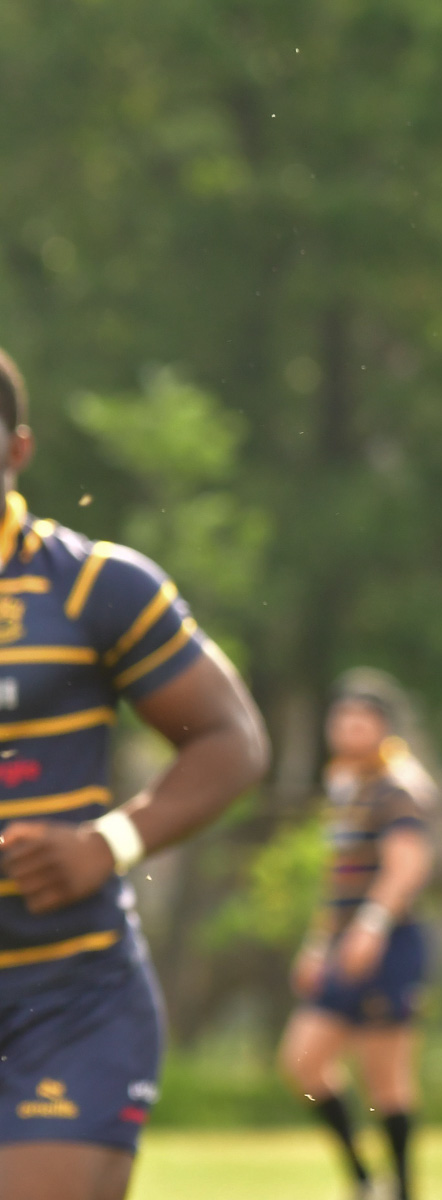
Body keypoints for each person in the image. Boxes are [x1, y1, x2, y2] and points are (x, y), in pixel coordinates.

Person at [0, 348, 269, 1200]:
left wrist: (109, 842)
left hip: (66, 997)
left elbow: (233, 741)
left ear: (18, 451)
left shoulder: (93, 587)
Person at [278, 672, 435, 1200]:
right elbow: (338, 878)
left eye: (361, 720)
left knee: (384, 1078)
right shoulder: (346, 791)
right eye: (341, 718)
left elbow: (407, 865)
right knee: (302, 1062)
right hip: (341, 948)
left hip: (386, 946)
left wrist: (371, 927)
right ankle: (365, 1181)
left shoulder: (395, 790)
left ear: (384, 728)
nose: (348, 728)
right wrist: (318, 942)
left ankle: (404, 1189)